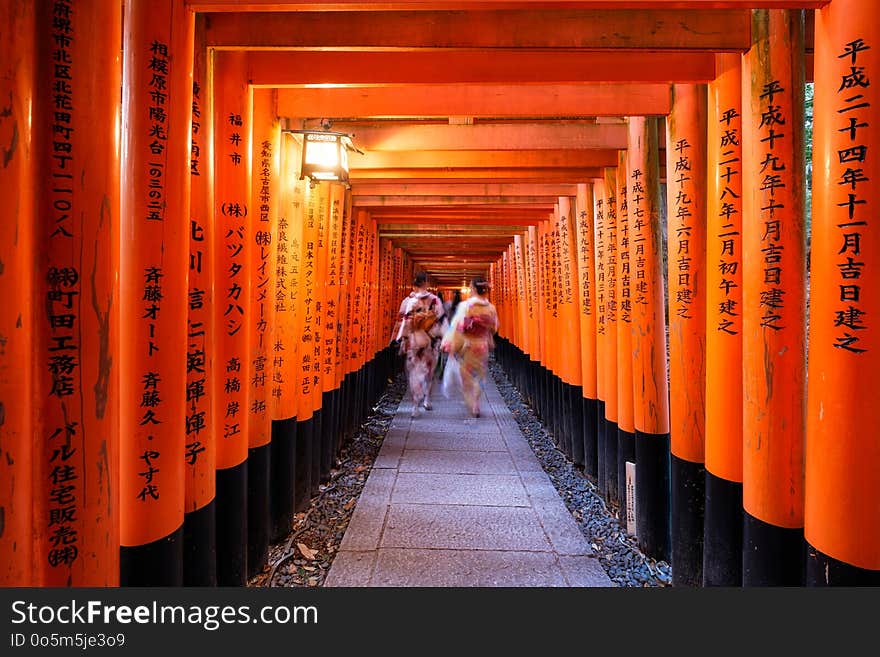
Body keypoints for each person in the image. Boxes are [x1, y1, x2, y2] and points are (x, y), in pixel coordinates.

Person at [441, 276, 499, 418]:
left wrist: (448, 343)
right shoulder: (491, 308)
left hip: (468, 345)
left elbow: (456, 326)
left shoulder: (466, 306)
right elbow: (495, 327)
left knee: (466, 376)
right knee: (480, 374)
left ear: (472, 289)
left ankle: (471, 402)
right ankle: (476, 402)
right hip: (482, 345)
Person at [393, 271, 445, 417]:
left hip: (414, 341)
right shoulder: (435, 300)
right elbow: (441, 320)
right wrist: (444, 339)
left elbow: (403, 321)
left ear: (414, 285)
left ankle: (415, 404)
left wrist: (401, 338)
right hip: (431, 341)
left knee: (414, 371)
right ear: (427, 283)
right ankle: (427, 399)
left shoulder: (409, 301)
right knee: (429, 371)